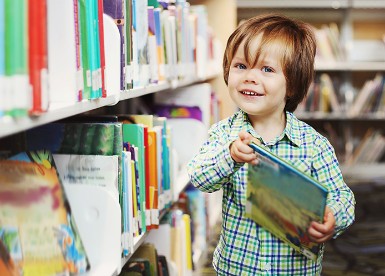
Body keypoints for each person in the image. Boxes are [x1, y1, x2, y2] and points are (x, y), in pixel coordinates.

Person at [187, 13, 355, 275]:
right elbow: (200, 177)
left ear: (292, 85)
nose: (250, 77)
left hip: (295, 270)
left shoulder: (313, 145)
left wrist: (333, 217)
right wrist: (230, 156)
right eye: (241, 66)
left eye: (267, 69)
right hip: (237, 268)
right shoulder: (223, 134)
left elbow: (342, 196)